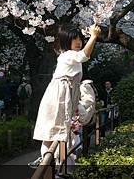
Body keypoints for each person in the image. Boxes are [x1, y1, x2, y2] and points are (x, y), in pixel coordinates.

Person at [29, 23, 100, 167]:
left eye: (80, 39)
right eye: (75, 39)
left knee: (55, 129)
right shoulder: (67, 55)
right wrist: (93, 36)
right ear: (67, 41)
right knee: (53, 128)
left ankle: (52, 161)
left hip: (64, 95)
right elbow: (84, 56)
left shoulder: (70, 56)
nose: (79, 42)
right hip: (59, 96)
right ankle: (46, 160)